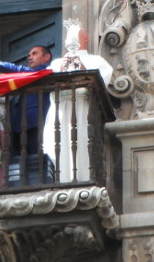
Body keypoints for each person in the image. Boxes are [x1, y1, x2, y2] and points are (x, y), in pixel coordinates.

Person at [43, 29, 113, 182]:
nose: (71, 35)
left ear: (86, 38)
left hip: (83, 110)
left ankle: (83, 180)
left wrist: (83, 70)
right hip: (61, 112)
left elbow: (102, 85)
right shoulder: (56, 63)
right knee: (60, 147)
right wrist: (61, 69)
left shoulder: (97, 61)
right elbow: (47, 85)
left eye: (76, 31)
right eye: (69, 32)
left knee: (83, 145)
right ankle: (63, 181)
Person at [0, 45, 52, 156]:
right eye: (29, 55)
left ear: (46, 57)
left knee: (35, 160)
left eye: (35, 53)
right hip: (20, 127)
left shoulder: (44, 71)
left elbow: (20, 70)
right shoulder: (30, 74)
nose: (30, 57)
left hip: (36, 124)